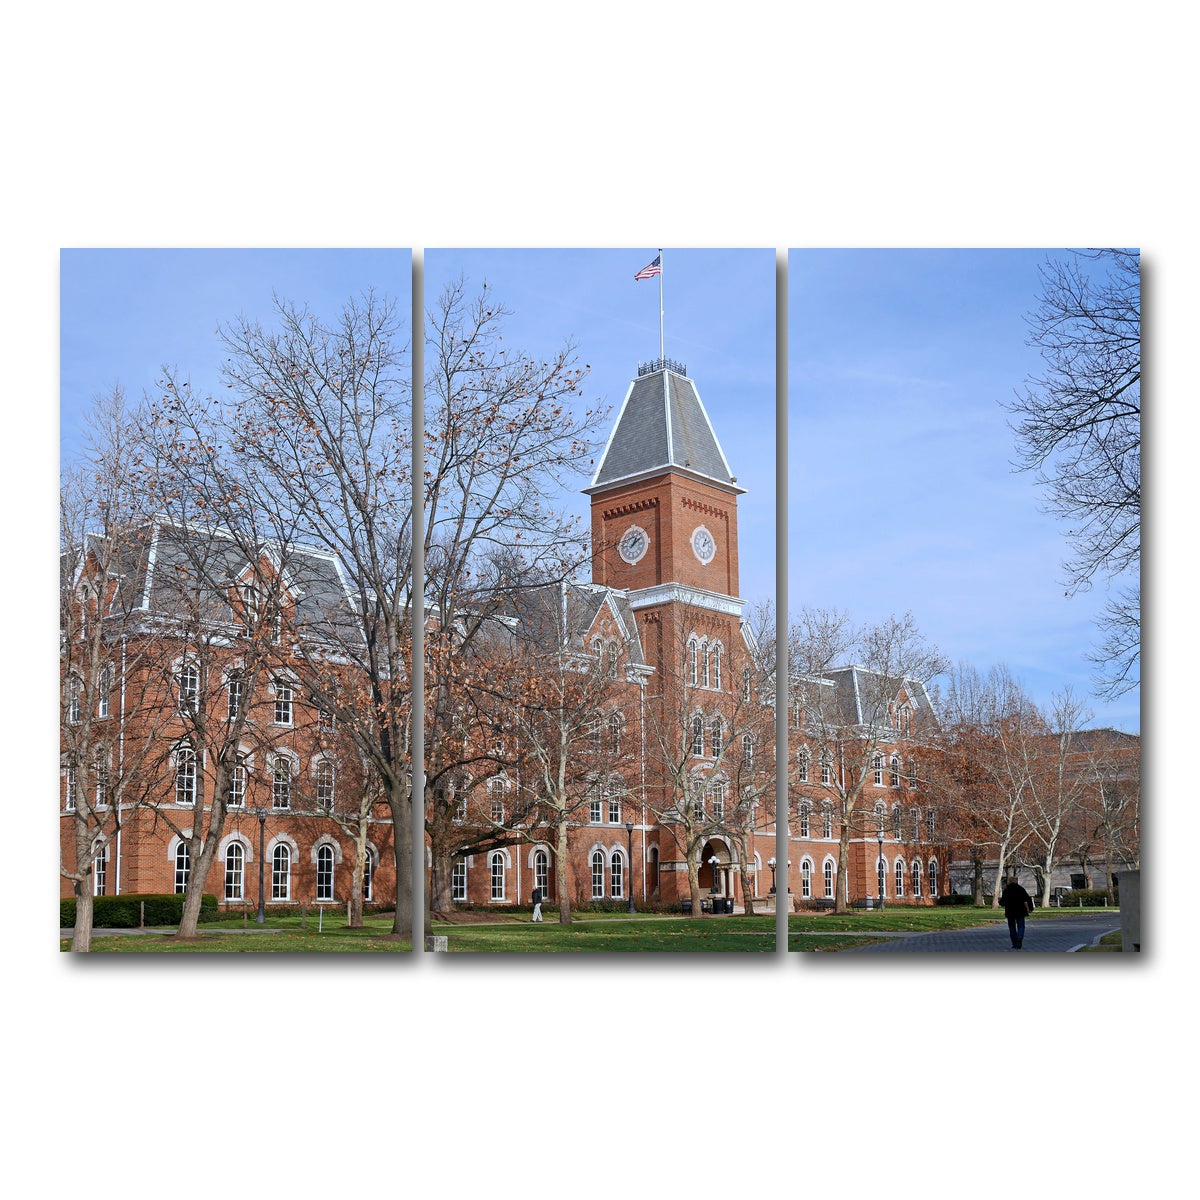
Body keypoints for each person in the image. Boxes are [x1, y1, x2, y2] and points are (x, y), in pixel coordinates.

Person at [999, 876, 1034, 949]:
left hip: (1010, 911)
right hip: (1020, 911)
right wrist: (1030, 908)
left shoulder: (1007, 890)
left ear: (1009, 882)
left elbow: (1002, 902)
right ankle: (1019, 938)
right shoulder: (1021, 889)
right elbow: (1027, 899)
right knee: (1021, 926)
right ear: (1016, 881)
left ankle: (1014, 943)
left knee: (1012, 927)